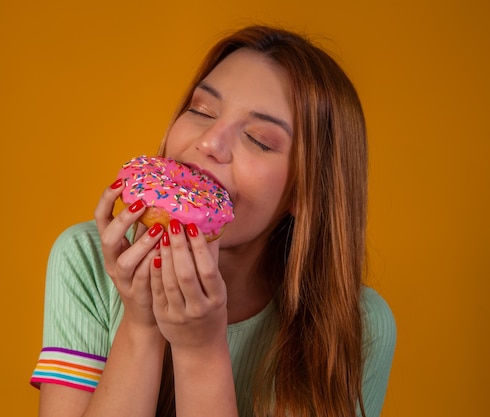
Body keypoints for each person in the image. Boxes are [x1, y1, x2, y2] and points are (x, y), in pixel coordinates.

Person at [30, 25, 396, 417]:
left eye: (259, 139)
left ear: (305, 191)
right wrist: (142, 326)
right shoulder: (85, 259)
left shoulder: (357, 325)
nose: (210, 142)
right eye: (202, 110)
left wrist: (200, 351)